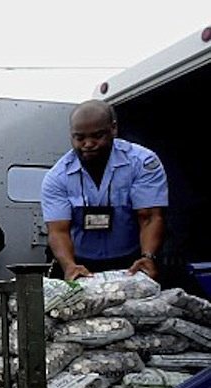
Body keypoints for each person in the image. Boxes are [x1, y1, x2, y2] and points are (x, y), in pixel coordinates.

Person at [41, 99, 168, 281]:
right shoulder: (57, 177)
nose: (88, 143)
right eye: (80, 138)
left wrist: (148, 257)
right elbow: (58, 231)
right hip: (79, 264)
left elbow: (150, 217)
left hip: (132, 262)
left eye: (97, 136)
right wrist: (69, 266)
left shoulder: (143, 163)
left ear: (113, 129)